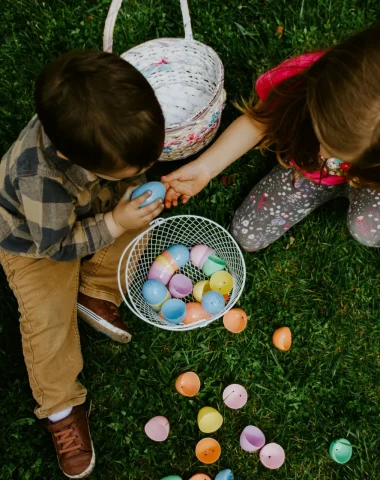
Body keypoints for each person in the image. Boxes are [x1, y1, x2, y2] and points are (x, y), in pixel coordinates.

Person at [0, 50, 165, 478]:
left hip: (94, 205)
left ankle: (96, 289)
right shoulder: (41, 178)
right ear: (77, 160)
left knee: (145, 213)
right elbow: (55, 247)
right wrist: (114, 221)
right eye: (135, 166)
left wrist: (134, 192)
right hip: (35, 242)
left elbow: (126, 179)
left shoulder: (102, 131)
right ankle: (60, 407)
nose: (146, 170)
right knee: (47, 322)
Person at [163, 26, 380, 251]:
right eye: (322, 136)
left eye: (337, 152)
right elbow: (258, 122)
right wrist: (205, 168)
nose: (324, 156)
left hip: (372, 182)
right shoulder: (304, 80)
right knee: (247, 235)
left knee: (367, 230)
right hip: (307, 172)